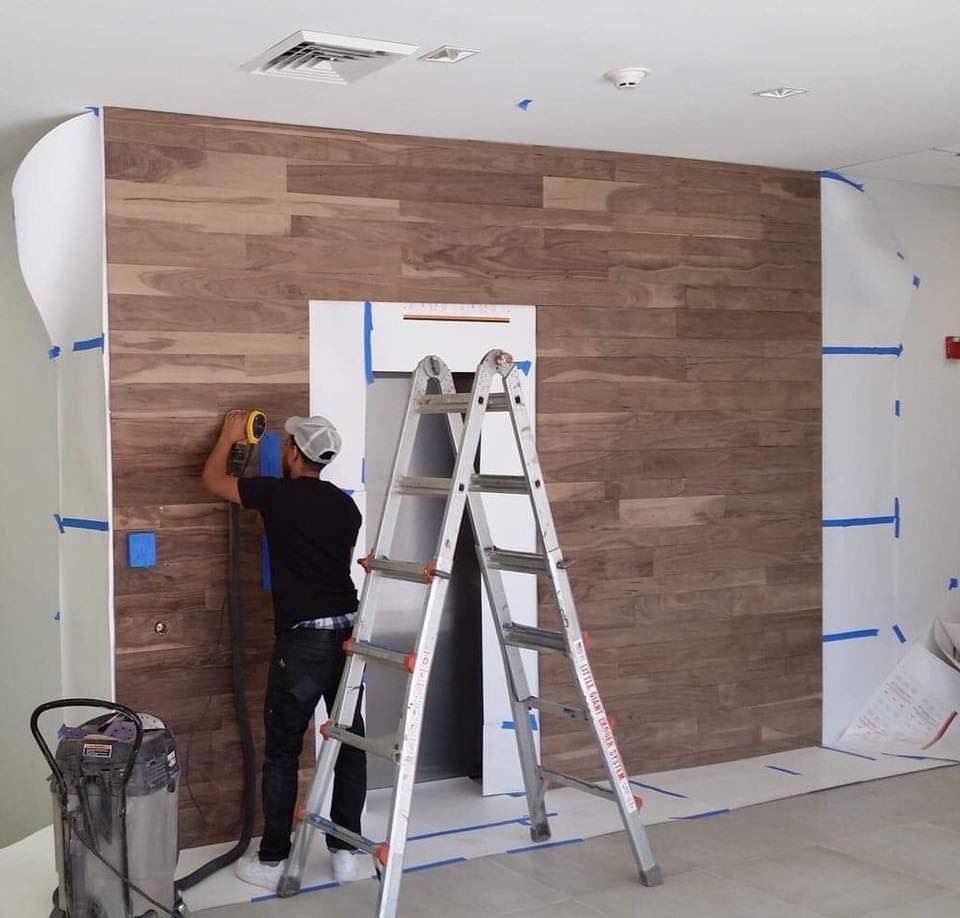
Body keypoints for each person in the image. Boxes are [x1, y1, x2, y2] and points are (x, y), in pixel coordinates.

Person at [201, 410, 366, 890]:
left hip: (303, 639)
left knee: (282, 751)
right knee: (350, 745)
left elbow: (213, 480)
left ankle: (273, 858)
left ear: (294, 453)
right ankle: (345, 855)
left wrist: (230, 435)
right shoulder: (346, 508)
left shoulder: (279, 496)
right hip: (349, 635)